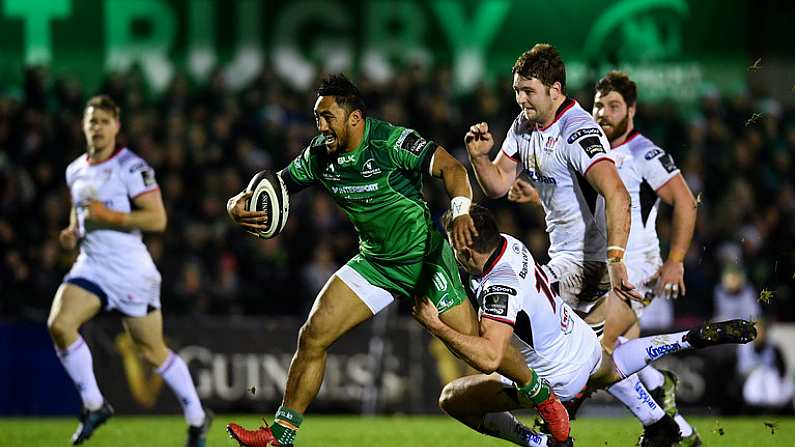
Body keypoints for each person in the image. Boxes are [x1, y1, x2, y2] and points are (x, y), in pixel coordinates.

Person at [225, 74, 570, 447]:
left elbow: (452, 169)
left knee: (485, 349)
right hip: (375, 263)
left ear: (354, 118)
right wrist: (236, 204)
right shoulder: (319, 155)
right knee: (312, 336)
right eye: (317, 118)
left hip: (426, 260)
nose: (320, 126)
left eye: (327, 118)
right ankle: (281, 435)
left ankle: (544, 396)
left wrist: (460, 210)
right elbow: (273, 186)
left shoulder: (390, 142)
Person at [412, 205, 756, 447]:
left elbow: (488, 357)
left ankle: (537, 442)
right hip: (582, 344)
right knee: (611, 366)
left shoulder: (498, 287)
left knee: (453, 398)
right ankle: (688, 341)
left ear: (467, 251)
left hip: (555, 378)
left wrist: (436, 325)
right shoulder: (509, 243)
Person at [465, 44, 675, 435]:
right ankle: (659, 418)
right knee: (592, 360)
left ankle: (552, 412)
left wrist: (615, 261)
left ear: (555, 91)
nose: (521, 98)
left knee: (518, 309)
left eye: (529, 91)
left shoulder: (577, 131)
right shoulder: (524, 125)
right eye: (517, 90)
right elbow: (496, 184)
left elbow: (617, 193)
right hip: (563, 257)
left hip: (589, 263)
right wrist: (479, 158)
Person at [512, 71, 701, 443]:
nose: (603, 112)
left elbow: (685, 202)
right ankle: (676, 425)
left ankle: (559, 423)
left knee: (591, 350)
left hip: (636, 270)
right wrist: (537, 198)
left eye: (613, 106)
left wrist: (676, 259)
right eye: (599, 104)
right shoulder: (591, 147)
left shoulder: (643, 152)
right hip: (600, 270)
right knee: (617, 361)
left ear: (631, 110)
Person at [48, 95, 211, 446]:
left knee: (152, 351)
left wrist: (112, 217)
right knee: (60, 325)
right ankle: (94, 404)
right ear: (83, 126)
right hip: (91, 265)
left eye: (105, 121)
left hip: (131, 271)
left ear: (116, 127)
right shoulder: (74, 170)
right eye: (92, 121)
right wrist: (72, 232)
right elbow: (79, 214)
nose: (98, 127)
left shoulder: (131, 167)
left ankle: (198, 417)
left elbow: (158, 218)